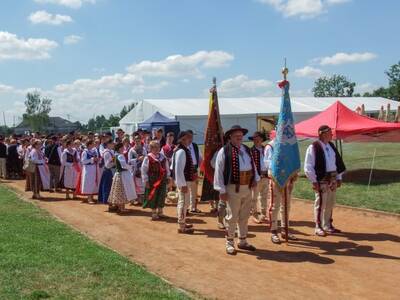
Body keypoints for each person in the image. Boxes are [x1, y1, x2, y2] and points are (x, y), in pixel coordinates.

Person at [214, 125, 260, 255]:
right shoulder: (224, 151)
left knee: (244, 215)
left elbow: (252, 165)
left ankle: (243, 240)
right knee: (232, 216)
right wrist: (221, 190)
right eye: (236, 136)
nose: (240, 137)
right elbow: (218, 171)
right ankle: (229, 242)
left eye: (241, 135)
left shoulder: (246, 149)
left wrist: (255, 177)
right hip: (233, 188)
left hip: (247, 187)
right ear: (230, 137)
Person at [304, 125, 346, 237]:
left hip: (332, 179)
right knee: (321, 204)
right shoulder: (314, 147)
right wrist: (314, 181)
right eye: (329, 133)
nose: (332, 134)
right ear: (322, 133)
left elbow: (337, 162)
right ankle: (318, 227)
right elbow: (308, 166)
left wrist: (339, 178)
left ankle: (327, 225)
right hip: (321, 180)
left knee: (330, 203)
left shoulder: (331, 146)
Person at [265, 138, 298, 243]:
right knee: (275, 206)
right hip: (276, 179)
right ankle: (273, 231)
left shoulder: (288, 144)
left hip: (287, 179)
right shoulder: (270, 146)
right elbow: (267, 163)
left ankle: (285, 229)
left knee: (286, 206)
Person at [171, 131, 196, 234]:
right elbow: (178, 169)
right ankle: (181, 225)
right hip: (184, 181)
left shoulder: (182, 150)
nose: (189, 140)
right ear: (182, 139)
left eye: (189, 138)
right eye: (186, 138)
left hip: (185, 180)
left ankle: (183, 222)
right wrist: (182, 184)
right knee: (183, 202)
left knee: (184, 203)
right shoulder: (181, 151)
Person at [141, 141, 170, 220]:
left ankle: (160, 212)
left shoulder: (163, 157)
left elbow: (166, 167)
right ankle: (154, 213)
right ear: (151, 148)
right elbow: (144, 170)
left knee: (162, 194)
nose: (157, 148)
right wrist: (146, 181)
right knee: (153, 195)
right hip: (152, 180)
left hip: (162, 179)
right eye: (155, 147)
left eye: (158, 147)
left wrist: (168, 177)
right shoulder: (148, 157)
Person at [108, 143, 137, 212]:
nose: (123, 148)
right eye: (122, 147)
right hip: (122, 175)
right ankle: (121, 208)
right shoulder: (120, 156)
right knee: (122, 190)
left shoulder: (116, 155)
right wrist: (131, 167)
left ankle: (119, 207)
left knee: (119, 191)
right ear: (120, 148)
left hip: (119, 174)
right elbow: (123, 166)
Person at [249, 131, 269, 224]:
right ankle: (254, 214)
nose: (256, 140)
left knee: (264, 196)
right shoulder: (250, 151)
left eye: (258, 138)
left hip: (266, 176)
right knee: (254, 197)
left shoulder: (266, 149)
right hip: (256, 177)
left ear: (262, 139)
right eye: (254, 139)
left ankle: (263, 214)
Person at [128, 135, 147, 205]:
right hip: (134, 170)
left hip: (142, 169)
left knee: (142, 183)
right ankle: (134, 199)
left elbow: (146, 157)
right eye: (136, 140)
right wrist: (137, 159)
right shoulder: (131, 150)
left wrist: (144, 158)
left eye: (139, 140)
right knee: (133, 184)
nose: (137, 142)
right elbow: (129, 161)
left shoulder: (143, 149)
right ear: (134, 141)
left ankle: (141, 199)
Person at [187, 130, 202, 213]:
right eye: (189, 136)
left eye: (192, 137)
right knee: (185, 190)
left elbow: (200, 158)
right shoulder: (182, 146)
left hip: (194, 170)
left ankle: (193, 207)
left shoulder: (195, 146)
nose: (190, 138)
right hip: (185, 171)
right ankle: (185, 208)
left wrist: (201, 169)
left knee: (194, 190)